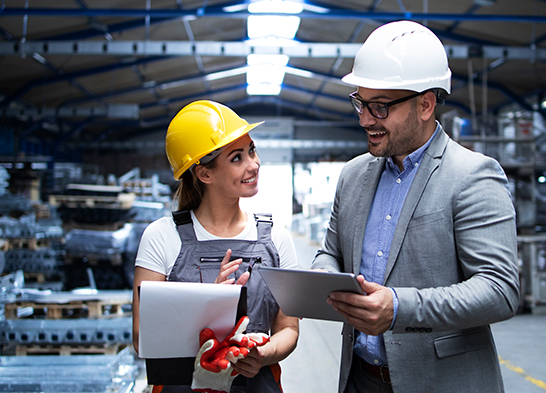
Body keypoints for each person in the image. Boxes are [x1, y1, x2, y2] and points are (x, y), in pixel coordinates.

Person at [312, 20, 520, 393]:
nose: (364, 120)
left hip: (439, 382)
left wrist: (399, 309)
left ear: (425, 105)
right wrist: (325, 279)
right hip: (360, 378)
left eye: (379, 107)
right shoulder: (354, 176)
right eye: (360, 102)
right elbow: (330, 253)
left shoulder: (472, 175)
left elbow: (499, 289)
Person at [132, 100, 299, 393]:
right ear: (204, 174)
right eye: (236, 158)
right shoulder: (161, 237)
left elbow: (288, 329)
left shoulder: (276, 239)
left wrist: (263, 356)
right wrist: (211, 309)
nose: (253, 164)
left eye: (251, 151)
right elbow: (141, 337)